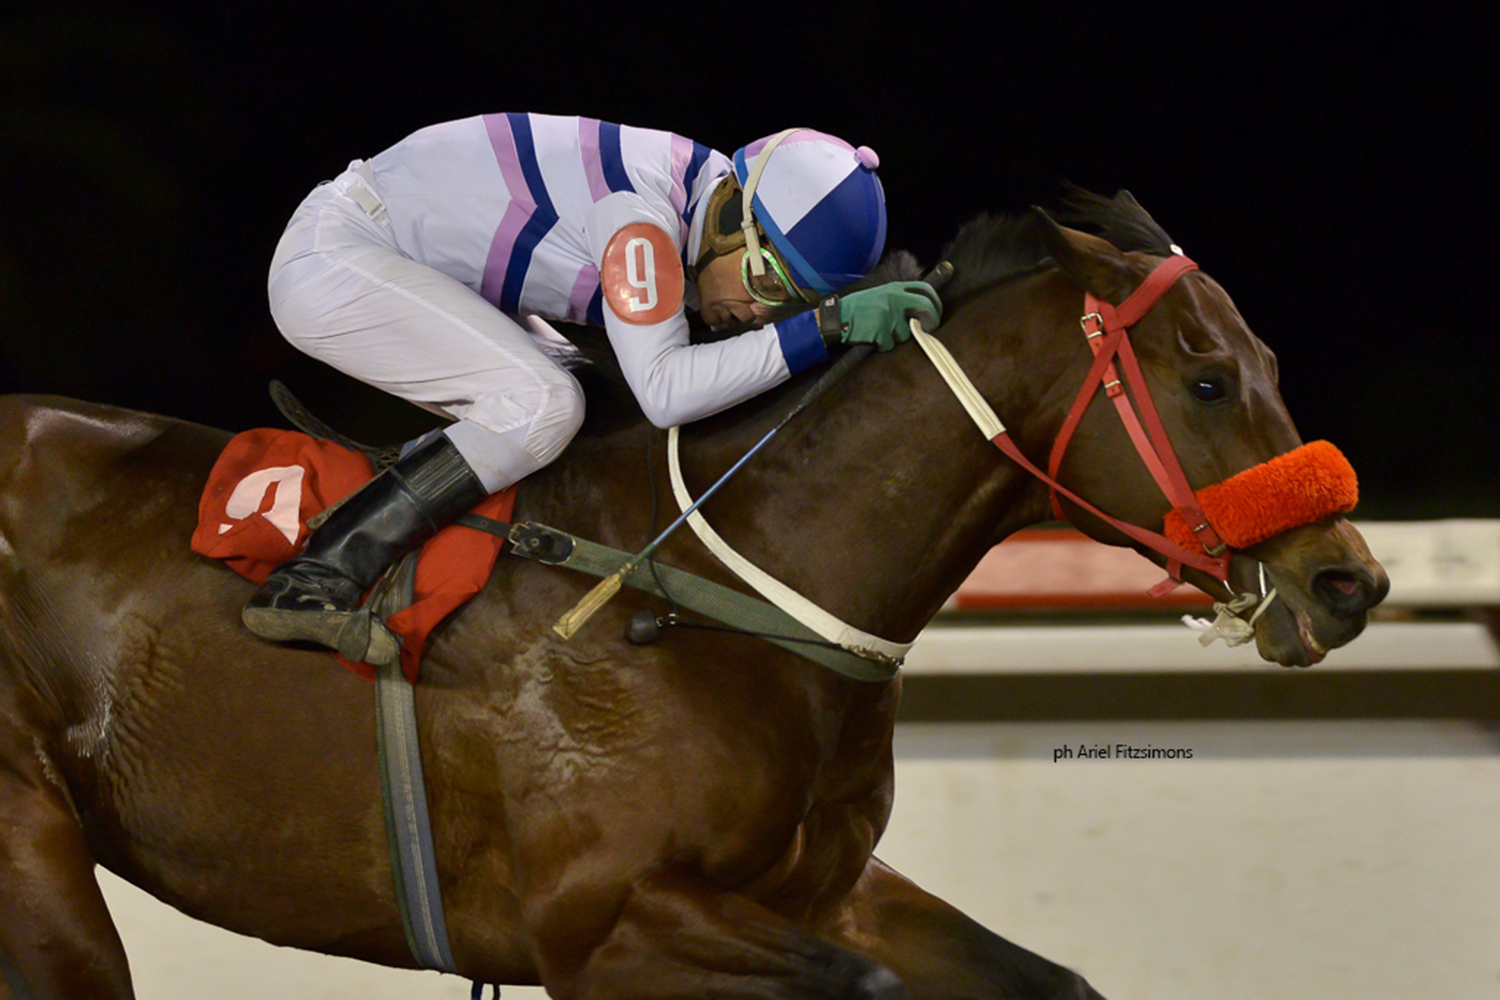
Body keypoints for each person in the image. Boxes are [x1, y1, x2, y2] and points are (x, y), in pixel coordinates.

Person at [242, 113, 941, 661]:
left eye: (786, 305)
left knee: (590, 404)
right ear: (731, 216)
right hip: (338, 259)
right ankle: (315, 579)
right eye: (766, 281)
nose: (759, 313)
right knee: (546, 404)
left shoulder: (693, 196)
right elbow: (667, 392)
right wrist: (823, 327)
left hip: (404, 257)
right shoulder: (640, 218)